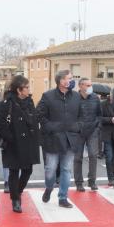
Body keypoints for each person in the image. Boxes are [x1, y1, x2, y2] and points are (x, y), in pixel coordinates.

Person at [0, 75, 40, 213]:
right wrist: (11, 138)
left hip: (29, 144)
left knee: (28, 170)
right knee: (14, 172)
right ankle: (15, 200)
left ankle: (17, 192)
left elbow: (34, 118)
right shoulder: (7, 103)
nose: (28, 89)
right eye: (26, 87)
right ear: (19, 90)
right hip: (13, 144)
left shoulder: (29, 102)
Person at [36, 70, 82, 208]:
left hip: (71, 139)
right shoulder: (48, 96)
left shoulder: (76, 96)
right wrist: (51, 126)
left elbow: (82, 116)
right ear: (61, 81)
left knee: (66, 169)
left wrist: (78, 126)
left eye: (72, 78)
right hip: (53, 139)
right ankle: (49, 187)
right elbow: (40, 116)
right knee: (50, 169)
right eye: (69, 78)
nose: (72, 81)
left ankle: (63, 197)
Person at [74, 78, 102, 192]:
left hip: (93, 131)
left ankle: (92, 181)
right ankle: (79, 183)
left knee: (93, 155)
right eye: (87, 85)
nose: (90, 87)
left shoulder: (95, 97)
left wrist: (97, 127)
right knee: (77, 158)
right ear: (81, 86)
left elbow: (99, 114)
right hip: (78, 132)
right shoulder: (74, 98)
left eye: (91, 85)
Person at [100, 92, 114, 187]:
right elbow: (99, 118)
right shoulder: (103, 104)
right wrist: (111, 120)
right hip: (107, 134)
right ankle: (111, 178)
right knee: (109, 157)